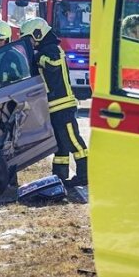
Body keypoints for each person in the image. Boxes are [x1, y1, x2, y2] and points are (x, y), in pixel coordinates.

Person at [20, 17, 88, 186]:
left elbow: (53, 64)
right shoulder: (44, 50)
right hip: (53, 107)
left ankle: (85, 174)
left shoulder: (52, 49)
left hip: (63, 105)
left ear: (38, 34)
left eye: (30, 38)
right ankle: (59, 176)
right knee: (60, 145)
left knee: (73, 140)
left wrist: (37, 59)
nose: (30, 43)